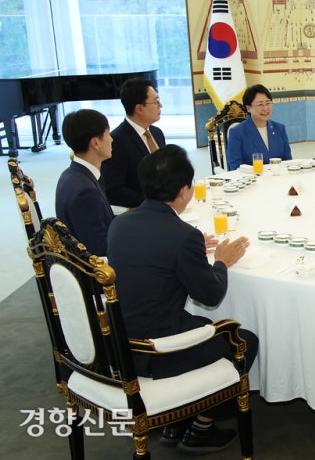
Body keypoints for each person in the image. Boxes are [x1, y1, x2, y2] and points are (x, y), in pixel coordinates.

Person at [107, 144, 257, 454]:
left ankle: (178, 419)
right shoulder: (182, 235)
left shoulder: (120, 223)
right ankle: (199, 427)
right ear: (184, 190)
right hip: (156, 350)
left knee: (201, 323)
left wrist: (188, 250)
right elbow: (211, 295)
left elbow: (152, 257)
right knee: (244, 340)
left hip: (119, 342)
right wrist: (221, 262)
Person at [54, 109, 115, 256]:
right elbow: (99, 248)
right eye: (108, 133)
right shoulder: (86, 192)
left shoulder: (71, 174)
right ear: (95, 142)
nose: (112, 139)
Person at [100, 78, 166, 208]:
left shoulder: (157, 133)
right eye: (156, 102)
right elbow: (113, 190)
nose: (161, 106)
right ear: (139, 108)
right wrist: (152, 204)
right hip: (142, 211)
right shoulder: (116, 141)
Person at [226, 84, 292, 170]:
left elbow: (288, 161)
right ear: (248, 108)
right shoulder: (237, 132)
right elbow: (235, 167)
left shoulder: (280, 128)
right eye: (260, 104)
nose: (265, 108)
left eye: (268, 103)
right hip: (252, 180)